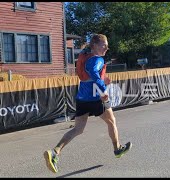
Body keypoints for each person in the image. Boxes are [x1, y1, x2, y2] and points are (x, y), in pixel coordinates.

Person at [43, 34, 132, 174]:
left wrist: (104, 79)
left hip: (82, 99)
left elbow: (89, 75)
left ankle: (55, 152)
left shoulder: (85, 57)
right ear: (95, 45)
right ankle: (117, 149)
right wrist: (103, 90)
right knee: (112, 121)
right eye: (104, 45)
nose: (107, 48)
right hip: (96, 98)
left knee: (78, 129)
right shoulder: (97, 59)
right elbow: (93, 72)